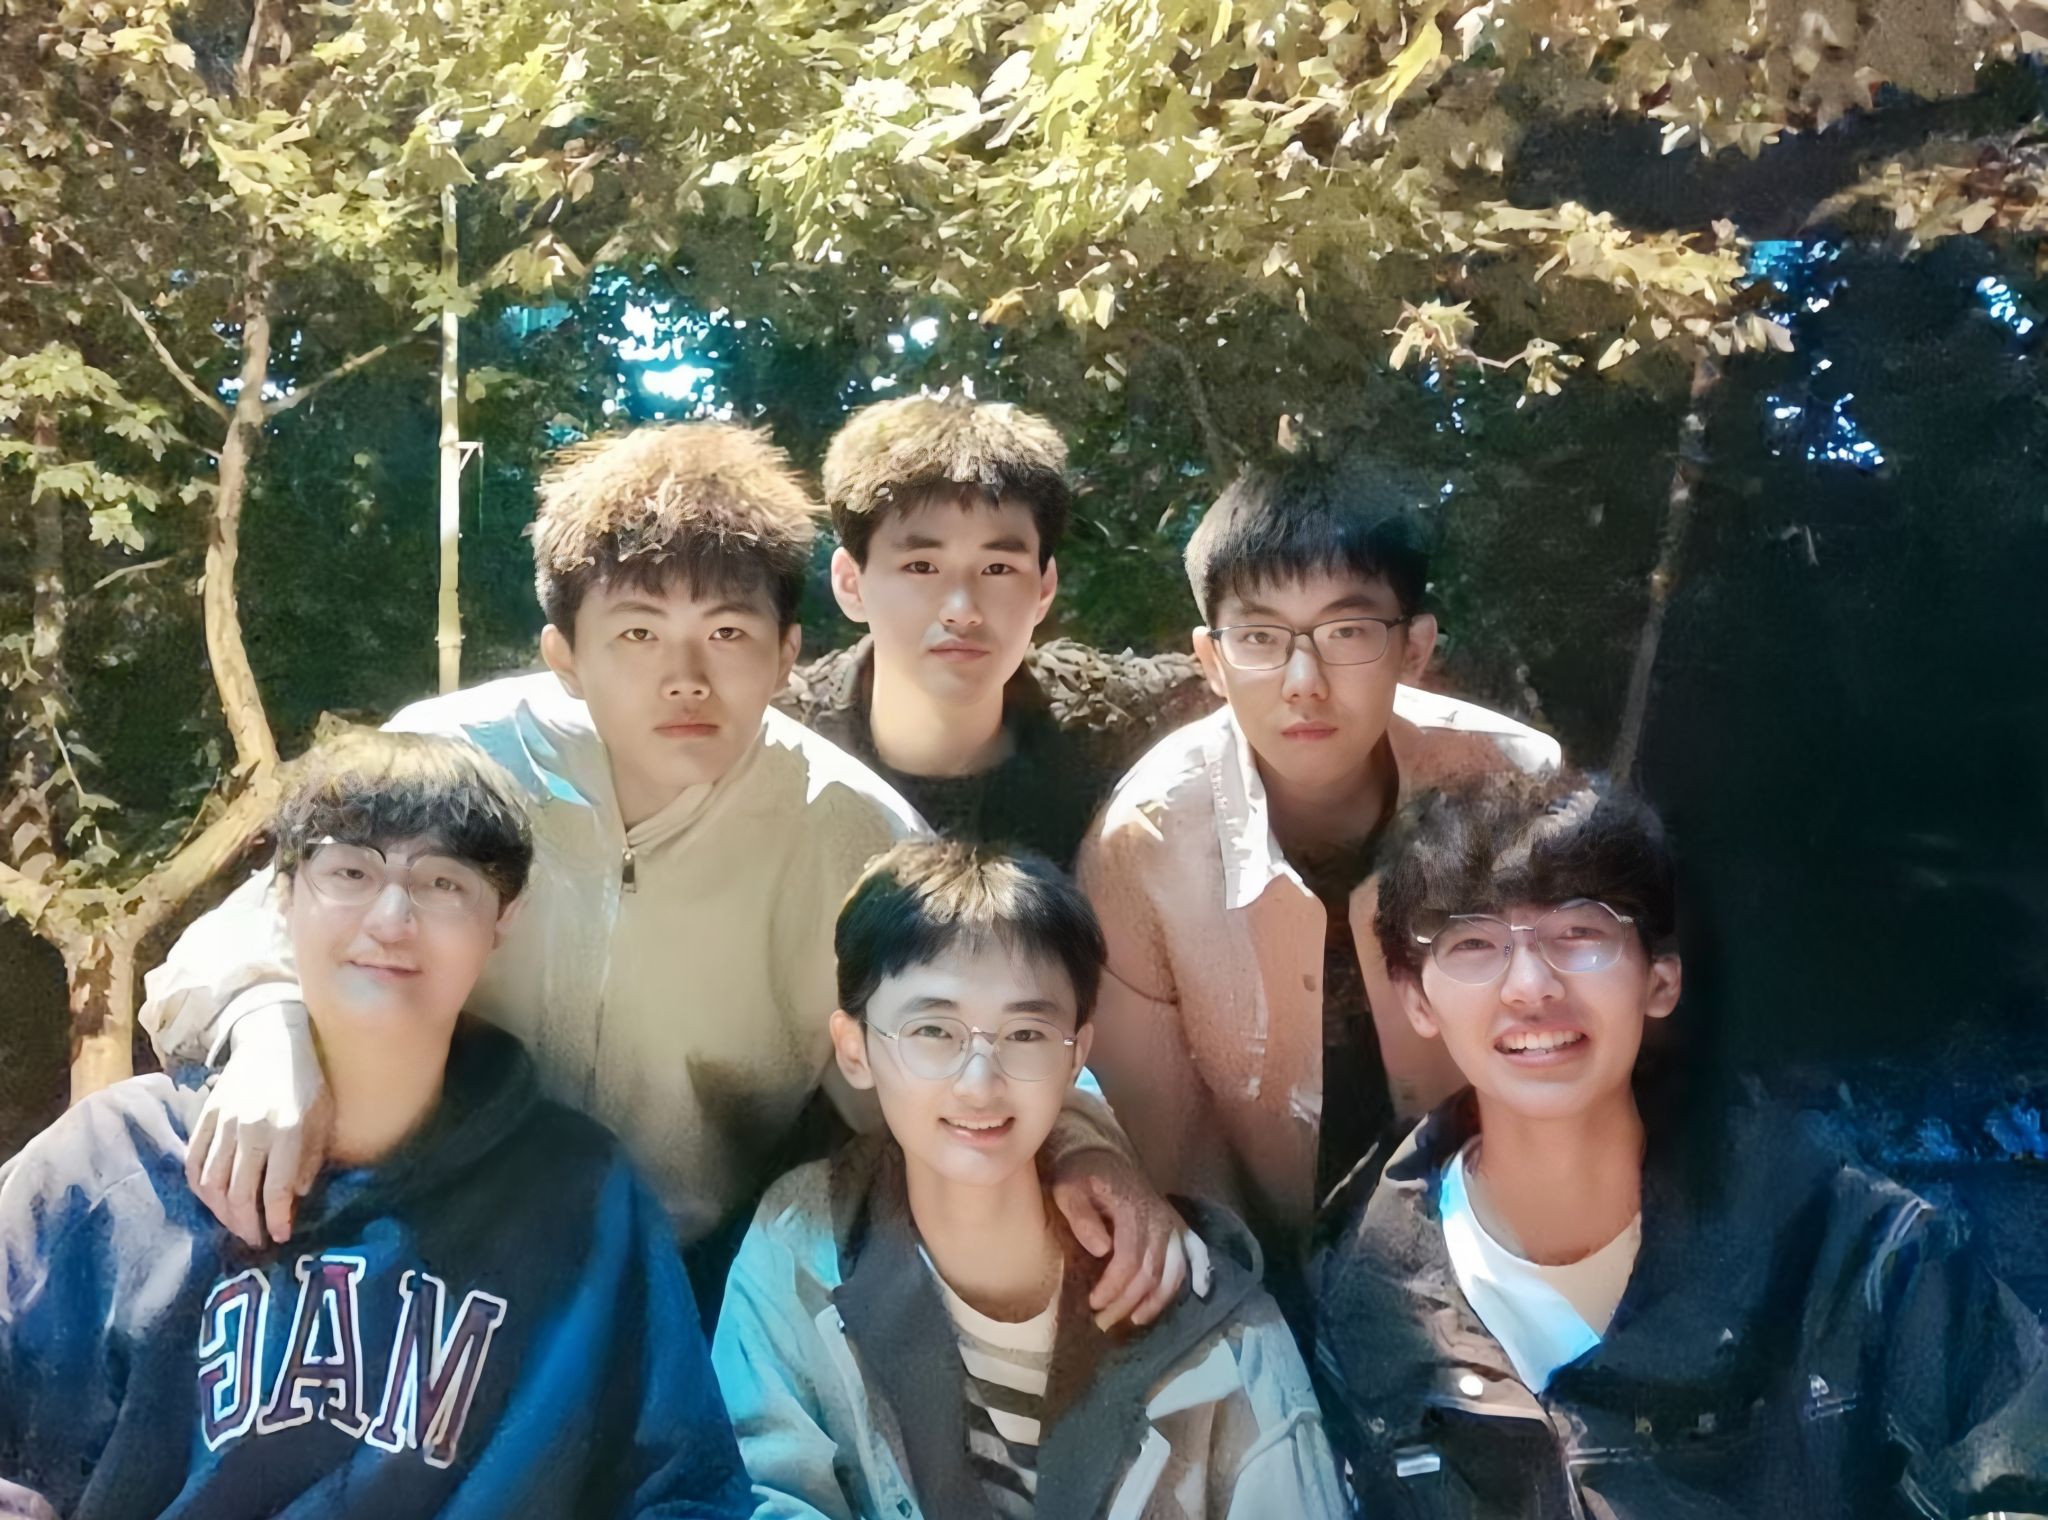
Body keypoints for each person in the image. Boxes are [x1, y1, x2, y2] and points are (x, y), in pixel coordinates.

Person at [141, 422, 1194, 1326]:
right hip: (404, 1236)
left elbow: (983, 1012)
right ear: (564, 652)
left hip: (681, 1283)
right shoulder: (456, 759)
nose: (685, 677)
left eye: (727, 632)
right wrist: (269, 1030)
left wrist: (1089, 1151)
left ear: (787, 651)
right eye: (638, 632)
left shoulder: (851, 830)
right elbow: (237, 939)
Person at [0, 730, 750, 1519]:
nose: (392, 919)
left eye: (444, 883)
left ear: (505, 918)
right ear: (283, 897)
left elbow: (686, 1493)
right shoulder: (118, 1164)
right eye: (350, 872)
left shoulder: (580, 1200)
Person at [1316, 771, 2048, 1518]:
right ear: (1416, 999)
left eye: (1579, 933)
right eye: (1474, 944)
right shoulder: (1357, 1316)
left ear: (1661, 979)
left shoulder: (1855, 1262)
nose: (1530, 986)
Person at [712, 841, 1346, 1520]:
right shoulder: (802, 1249)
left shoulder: (1211, 1314)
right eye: (933, 1031)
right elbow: (760, 1494)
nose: (979, 1083)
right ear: (855, 1049)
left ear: (1078, 1057)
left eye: (1025, 1035)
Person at [1077, 457, 1559, 1291]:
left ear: (1413, 648)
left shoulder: (1512, 784)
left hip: (1506, 1230)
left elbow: (1575, 1042)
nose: (1304, 684)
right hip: (1266, 1257)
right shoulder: (1143, 844)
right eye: (1261, 639)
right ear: (1211, 660)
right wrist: (1256, 1309)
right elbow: (1173, 1148)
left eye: (1347, 633)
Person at [780, 394, 1209, 866]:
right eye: (921, 566)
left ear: (1044, 587)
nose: (962, 611)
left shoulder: (1113, 721)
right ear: (851, 583)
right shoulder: (776, 735)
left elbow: (1244, 676)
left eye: (998, 568)